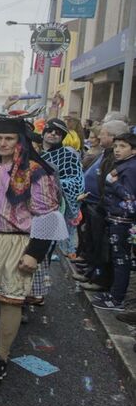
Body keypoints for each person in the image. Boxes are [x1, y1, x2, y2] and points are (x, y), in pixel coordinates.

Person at [0, 117, 62, 382]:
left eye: (9, 139)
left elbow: (48, 215)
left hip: (19, 241)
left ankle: (1, 356)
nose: (2, 143)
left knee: (10, 298)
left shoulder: (36, 170)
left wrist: (34, 253)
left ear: (19, 141)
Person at [74, 120, 131, 291]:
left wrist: (103, 204)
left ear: (113, 137)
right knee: (93, 242)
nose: (99, 136)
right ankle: (92, 273)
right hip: (95, 205)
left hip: (105, 209)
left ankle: (101, 280)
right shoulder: (107, 153)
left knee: (103, 247)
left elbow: (112, 184)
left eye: (104, 133)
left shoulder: (117, 158)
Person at [91, 132, 136, 311]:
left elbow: (130, 197)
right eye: (116, 146)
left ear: (133, 150)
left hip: (123, 221)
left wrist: (113, 183)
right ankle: (113, 294)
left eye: (123, 146)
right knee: (117, 258)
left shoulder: (131, 168)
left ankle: (117, 299)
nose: (117, 150)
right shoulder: (125, 164)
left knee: (121, 260)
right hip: (116, 218)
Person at [40, 118, 84, 260]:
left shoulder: (68, 156)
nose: (53, 134)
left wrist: (55, 183)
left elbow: (76, 180)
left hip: (56, 205)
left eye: (58, 133)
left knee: (46, 244)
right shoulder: (34, 150)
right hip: (30, 204)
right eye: (50, 130)